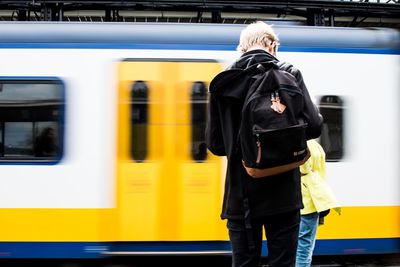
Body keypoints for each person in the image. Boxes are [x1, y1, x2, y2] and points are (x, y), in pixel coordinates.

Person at [206, 21, 323, 267]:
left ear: (242, 48)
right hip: (284, 196)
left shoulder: (223, 82)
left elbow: (215, 144)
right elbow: (313, 127)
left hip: (241, 198)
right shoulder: (290, 74)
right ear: (271, 45)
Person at [296, 139, 341, 267]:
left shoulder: (299, 144)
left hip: (299, 202)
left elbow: (303, 168)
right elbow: (321, 174)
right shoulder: (316, 146)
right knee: (305, 248)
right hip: (311, 203)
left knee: (299, 248)